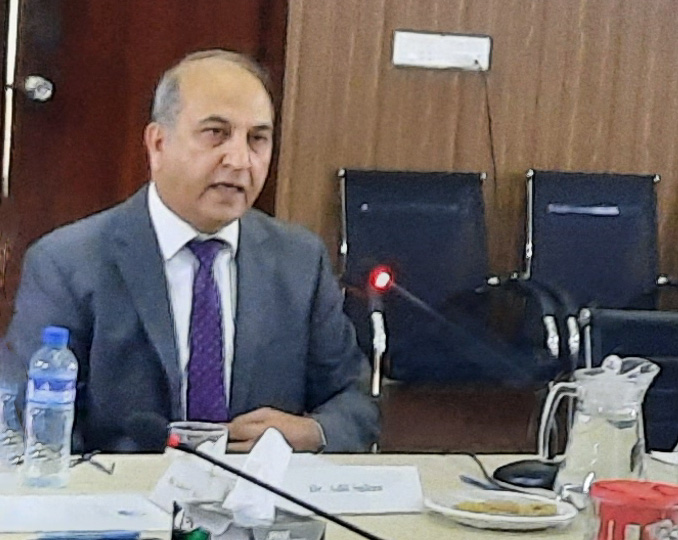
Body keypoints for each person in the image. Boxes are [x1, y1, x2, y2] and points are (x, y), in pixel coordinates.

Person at [6, 49, 379, 453]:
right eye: (216, 133)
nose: (240, 160)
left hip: (257, 489)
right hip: (120, 489)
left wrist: (311, 432)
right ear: (158, 144)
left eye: (257, 139)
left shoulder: (299, 261)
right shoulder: (68, 263)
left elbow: (356, 401)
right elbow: (26, 419)